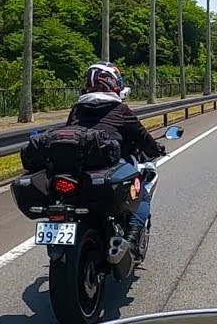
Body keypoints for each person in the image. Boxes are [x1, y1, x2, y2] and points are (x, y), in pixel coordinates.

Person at [65, 62, 165, 252]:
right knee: (141, 195)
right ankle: (131, 240)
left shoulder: (77, 109)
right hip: (110, 168)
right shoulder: (120, 110)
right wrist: (156, 148)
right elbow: (142, 137)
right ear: (113, 84)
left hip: (77, 170)